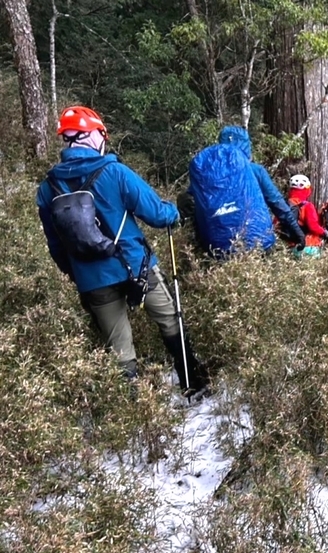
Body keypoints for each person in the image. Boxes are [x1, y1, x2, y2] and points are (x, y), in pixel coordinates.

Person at [36, 106, 211, 400]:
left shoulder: (47, 188)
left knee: (119, 347)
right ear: (93, 136)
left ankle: (135, 415)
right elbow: (156, 214)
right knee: (169, 318)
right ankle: (193, 385)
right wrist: (174, 212)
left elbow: (56, 245)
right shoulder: (114, 172)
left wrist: (77, 272)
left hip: (92, 278)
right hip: (135, 266)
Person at [183, 125, 306, 255]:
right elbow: (277, 203)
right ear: (246, 146)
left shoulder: (208, 176)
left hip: (216, 248)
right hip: (259, 243)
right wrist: (297, 232)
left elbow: (187, 200)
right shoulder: (255, 170)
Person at [277, 174, 328, 256]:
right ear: (307, 189)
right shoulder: (307, 206)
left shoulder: (283, 206)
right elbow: (313, 226)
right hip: (307, 246)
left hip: (286, 248)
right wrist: (324, 232)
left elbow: (275, 226)